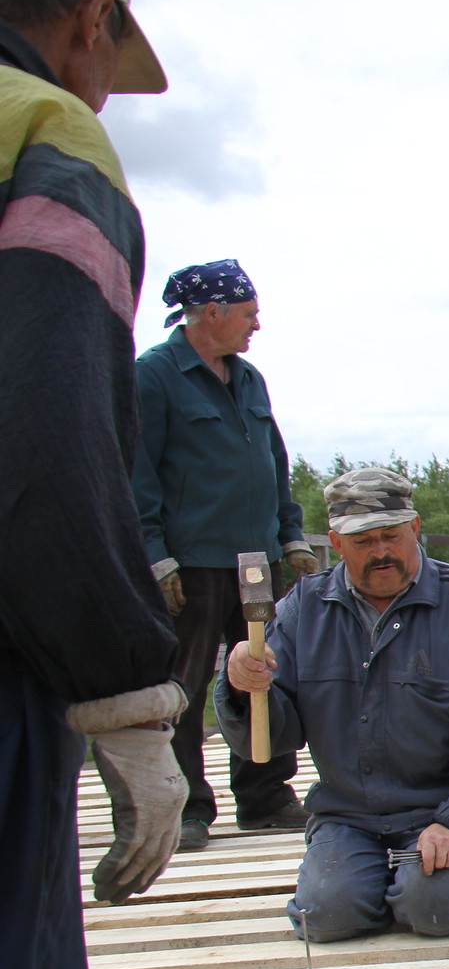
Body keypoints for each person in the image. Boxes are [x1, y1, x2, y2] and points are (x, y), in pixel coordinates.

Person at [0, 0, 180, 969]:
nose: (106, 96)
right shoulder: (41, 137)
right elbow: (53, 448)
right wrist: (126, 694)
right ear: (91, 21)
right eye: (111, 65)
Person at [220, 469, 449, 942]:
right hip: (350, 814)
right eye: (364, 541)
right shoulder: (301, 609)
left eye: (392, 536)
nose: (381, 552)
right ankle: (388, 878)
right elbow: (271, 739)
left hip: (447, 809)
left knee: (436, 910)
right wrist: (244, 687)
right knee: (326, 916)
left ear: (416, 528)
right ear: (336, 543)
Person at [134, 259, 315, 849]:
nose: (256, 325)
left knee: (266, 673)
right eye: (248, 313)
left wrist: (290, 533)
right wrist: (155, 557)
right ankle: (185, 808)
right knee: (181, 687)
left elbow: (273, 462)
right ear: (211, 313)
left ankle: (264, 796)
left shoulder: (249, 378)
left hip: (255, 559)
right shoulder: (153, 377)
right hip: (190, 562)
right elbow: (135, 476)